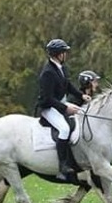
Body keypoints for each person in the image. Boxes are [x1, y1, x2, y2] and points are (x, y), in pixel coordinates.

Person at [36, 39, 90, 180]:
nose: (66, 55)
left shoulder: (62, 68)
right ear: (58, 54)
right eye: (64, 52)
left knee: (83, 115)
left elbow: (68, 86)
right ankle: (63, 166)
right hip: (48, 108)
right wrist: (66, 108)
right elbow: (48, 98)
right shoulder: (47, 73)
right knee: (64, 129)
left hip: (60, 105)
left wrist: (82, 95)